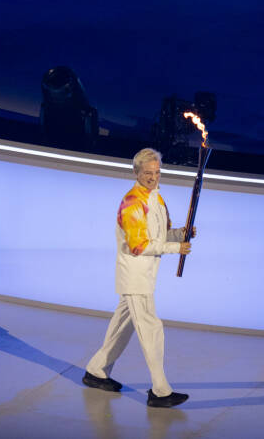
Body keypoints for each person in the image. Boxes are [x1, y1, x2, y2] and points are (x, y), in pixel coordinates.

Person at [82, 147, 194, 408]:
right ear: (136, 172)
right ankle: (160, 390)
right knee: (151, 329)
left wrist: (180, 234)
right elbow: (138, 246)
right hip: (135, 275)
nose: (153, 177)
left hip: (146, 275)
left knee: (122, 326)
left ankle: (96, 371)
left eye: (156, 172)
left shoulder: (157, 198)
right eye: (147, 173)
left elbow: (160, 235)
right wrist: (175, 248)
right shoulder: (132, 202)